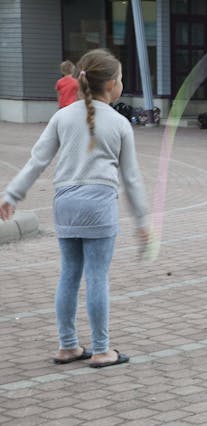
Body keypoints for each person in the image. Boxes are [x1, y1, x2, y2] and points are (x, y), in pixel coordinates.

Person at [0, 49, 149, 368]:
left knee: (69, 274)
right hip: (99, 204)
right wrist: (142, 219)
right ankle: (101, 349)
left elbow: (36, 161)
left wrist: (11, 195)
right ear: (111, 85)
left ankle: (67, 346)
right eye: (121, 78)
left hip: (65, 203)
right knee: (97, 276)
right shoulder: (121, 123)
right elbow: (132, 178)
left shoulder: (62, 116)